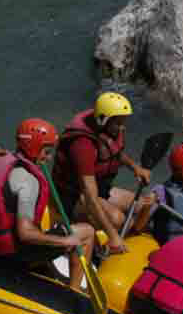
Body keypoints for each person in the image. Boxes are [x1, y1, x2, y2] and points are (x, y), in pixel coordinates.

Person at [0, 118, 95, 291]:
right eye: (46, 151)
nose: (49, 157)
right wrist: (64, 240)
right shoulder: (28, 181)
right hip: (12, 255)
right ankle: (74, 292)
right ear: (34, 147)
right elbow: (26, 234)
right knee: (86, 232)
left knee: (47, 237)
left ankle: (48, 272)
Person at [51, 92, 151, 254]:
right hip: (73, 196)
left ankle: (130, 234)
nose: (122, 127)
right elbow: (90, 196)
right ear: (103, 120)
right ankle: (109, 246)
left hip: (100, 188)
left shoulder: (109, 128)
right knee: (117, 219)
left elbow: (113, 151)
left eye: (123, 122)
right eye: (118, 123)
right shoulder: (82, 144)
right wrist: (113, 236)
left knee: (144, 206)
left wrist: (135, 168)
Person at [132, 141, 183, 243]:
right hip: (169, 245)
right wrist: (147, 207)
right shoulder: (161, 192)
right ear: (179, 171)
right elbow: (138, 228)